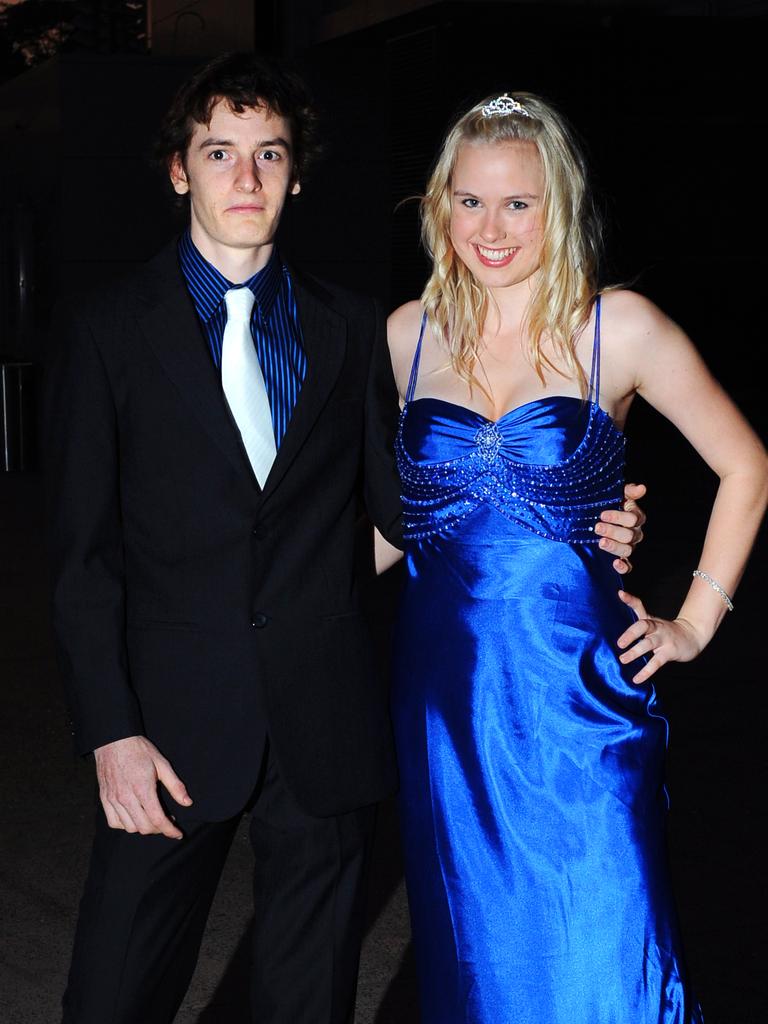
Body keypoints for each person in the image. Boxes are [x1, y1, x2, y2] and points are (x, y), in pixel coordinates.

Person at [43, 53, 646, 1023]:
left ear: (295, 171)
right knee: (111, 993)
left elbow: (415, 507)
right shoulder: (109, 331)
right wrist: (110, 728)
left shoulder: (352, 328)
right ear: (177, 170)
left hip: (322, 719)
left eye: (269, 154)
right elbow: (79, 556)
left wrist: (581, 514)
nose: (246, 179)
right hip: (167, 726)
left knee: (307, 996)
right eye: (220, 152)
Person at [380, 93, 768, 1023]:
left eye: (520, 203)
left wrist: (695, 619)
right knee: (477, 960)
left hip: (578, 696)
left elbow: (745, 463)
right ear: (441, 207)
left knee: (604, 944)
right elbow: (404, 523)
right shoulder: (405, 335)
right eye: (471, 201)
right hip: (443, 705)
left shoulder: (619, 326)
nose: (493, 227)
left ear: (560, 205)